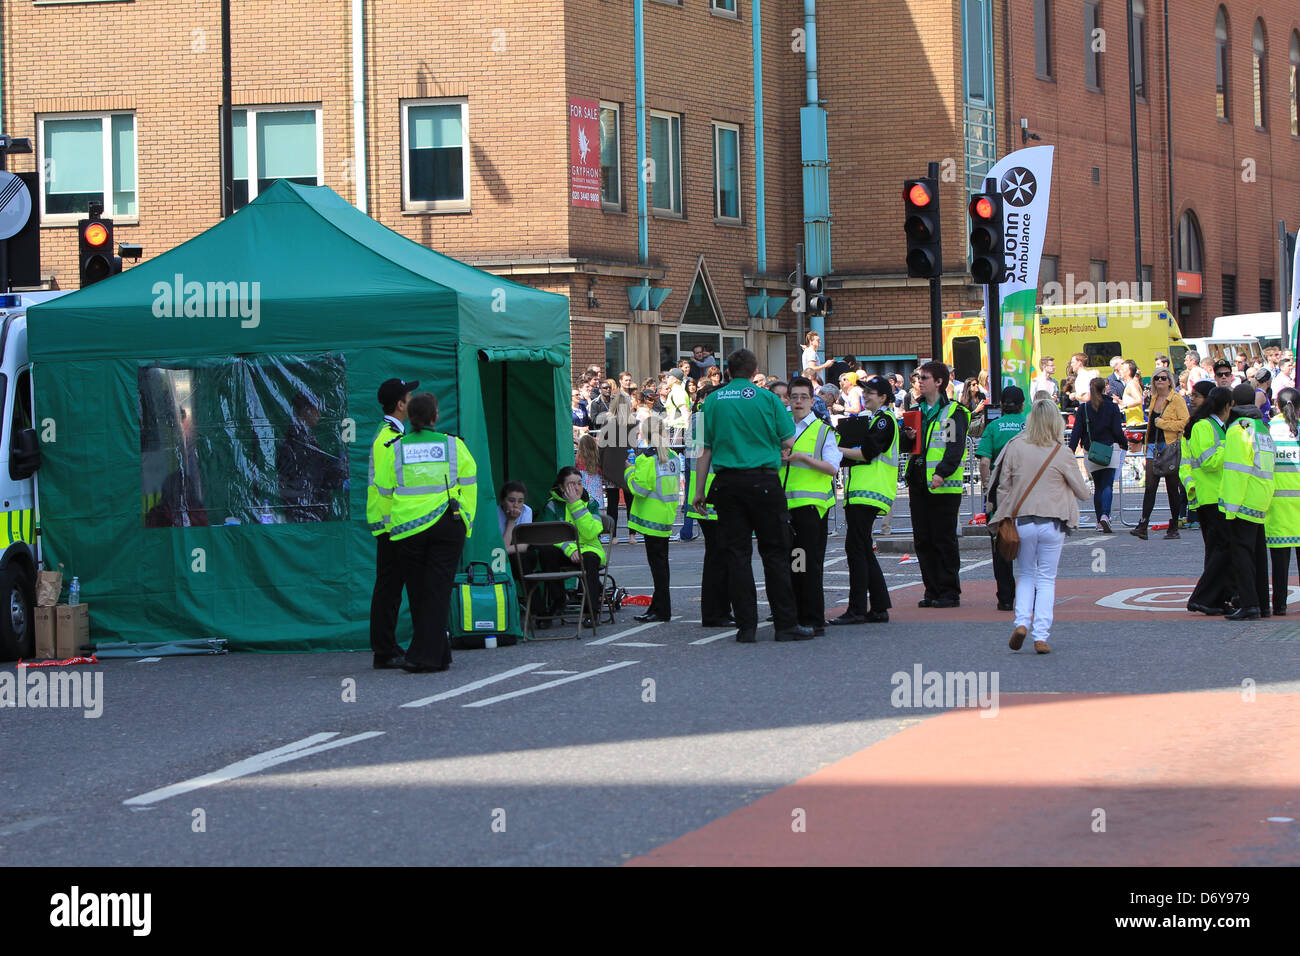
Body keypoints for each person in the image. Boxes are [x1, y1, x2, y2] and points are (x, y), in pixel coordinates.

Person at [691, 348, 811, 643]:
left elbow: (703, 450)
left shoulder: (713, 401)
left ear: (728, 371)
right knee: (775, 555)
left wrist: (698, 491)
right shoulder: (768, 399)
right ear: (754, 369)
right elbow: (788, 440)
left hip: (727, 484)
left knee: (737, 556)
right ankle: (785, 625)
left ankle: (746, 627)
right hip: (764, 483)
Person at [379, 392, 476, 673]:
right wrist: (466, 520)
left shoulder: (394, 448)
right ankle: (436, 655)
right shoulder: (453, 445)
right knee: (438, 590)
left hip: (408, 529)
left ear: (409, 417)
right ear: (435, 417)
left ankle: (425, 657)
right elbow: (470, 482)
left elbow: (384, 491)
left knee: (420, 592)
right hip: (447, 523)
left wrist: (389, 526)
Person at [987, 399, 1092, 654]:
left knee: (1025, 576)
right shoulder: (1061, 452)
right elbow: (1083, 493)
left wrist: (1004, 513)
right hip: (1053, 522)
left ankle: (1022, 622)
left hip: (1022, 520)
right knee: (1046, 579)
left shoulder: (1015, 446)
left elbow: (1003, 486)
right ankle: (1041, 636)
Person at [781, 376, 843, 635]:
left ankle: (813, 617)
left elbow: (831, 467)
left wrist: (801, 458)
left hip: (811, 506)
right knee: (791, 563)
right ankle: (794, 614)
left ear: (812, 400)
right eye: (793, 397)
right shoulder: (781, 429)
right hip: (784, 504)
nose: (797, 402)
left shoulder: (822, 430)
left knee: (806, 563)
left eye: (803, 397)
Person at [905, 361, 969, 608]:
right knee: (923, 539)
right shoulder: (916, 410)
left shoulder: (953, 412)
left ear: (939, 382)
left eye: (925, 377)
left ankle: (949, 591)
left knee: (943, 539)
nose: (920, 381)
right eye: (919, 378)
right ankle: (931, 589)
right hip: (919, 481)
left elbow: (954, 448)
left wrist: (942, 473)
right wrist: (906, 437)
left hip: (943, 486)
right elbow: (907, 447)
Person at [835, 375, 897, 624]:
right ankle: (879, 606)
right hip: (861, 492)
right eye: (865, 391)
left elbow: (868, 453)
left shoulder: (883, 420)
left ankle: (858, 608)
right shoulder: (873, 419)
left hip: (869, 491)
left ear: (883, 396)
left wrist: (836, 450)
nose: (866, 395)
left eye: (871, 392)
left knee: (857, 548)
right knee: (859, 548)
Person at [367, 378, 417, 669]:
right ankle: (384, 650)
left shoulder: (391, 432)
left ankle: (387, 647)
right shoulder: (389, 437)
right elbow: (392, 483)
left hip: (392, 522)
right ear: (400, 404)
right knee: (388, 589)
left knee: (391, 587)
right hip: (391, 523)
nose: (412, 400)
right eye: (409, 396)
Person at [1219, 383, 1277, 620]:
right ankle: (1263, 604)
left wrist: (1230, 507)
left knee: (1242, 553)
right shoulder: (1261, 427)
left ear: (1233, 404)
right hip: (1261, 496)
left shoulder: (1238, 429)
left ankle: (1250, 605)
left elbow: (1236, 471)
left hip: (1244, 499)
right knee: (1258, 554)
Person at [626, 415, 681, 623]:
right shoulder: (673, 456)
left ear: (644, 434)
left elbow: (639, 489)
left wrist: (629, 471)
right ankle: (658, 606)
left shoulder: (646, 459)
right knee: (662, 566)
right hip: (666, 515)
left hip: (650, 517)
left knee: (657, 567)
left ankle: (662, 610)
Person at [686, 383, 733, 627]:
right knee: (718, 555)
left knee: (718, 555)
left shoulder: (700, 419)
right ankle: (716, 612)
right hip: (712, 490)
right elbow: (704, 452)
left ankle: (719, 610)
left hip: (708, 489)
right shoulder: (703, 419)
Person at [536, 466, 606, 628]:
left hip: (589, 548)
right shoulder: (552, 505)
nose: (576, 488)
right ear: (561, 487)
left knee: (590, 559)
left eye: (579, 483)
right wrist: (570, 549)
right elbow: (548, 534)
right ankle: (558, 600)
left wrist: (575, 505)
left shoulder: (591, 503)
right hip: (565, 550)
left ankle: (592, 612)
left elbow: (591, 532)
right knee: (546, 551)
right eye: (571, 484)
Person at [978, 385, 1028, 607]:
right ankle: (1030, 596)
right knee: (1029, 541)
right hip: (1027, 489)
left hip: (1000, 490)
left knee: (1000, 540)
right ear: (1022, 405)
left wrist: (987, 484)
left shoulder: (993, 426)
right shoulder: (1030, 426)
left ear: (1001, 406)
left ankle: (1006, 598)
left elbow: (984, 461)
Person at [1186, 386, 1234, 614]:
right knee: (1223, 548)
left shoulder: (1218, 427)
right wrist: (1231, 446)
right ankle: (1203, 597)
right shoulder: (1204, 426)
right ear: (1227, 406)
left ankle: (1216, 598)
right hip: (1210, 496)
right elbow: (1208, 461)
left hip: (1220, 495)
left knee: (1218, 550)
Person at [1130, 366, 1188, 539]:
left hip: (1169, 446)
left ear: (1170, 381)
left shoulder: (1177, 399)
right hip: (1153, 447)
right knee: (1150, 487)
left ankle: (1173, 527)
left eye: (1163, 378)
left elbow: (1184, 423)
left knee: (1172, 488)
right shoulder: (1154, 398)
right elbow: (1150, 424)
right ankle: (1143, 524)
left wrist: (1163, 423)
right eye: (1156, 378)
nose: (1160, 381)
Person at [1068, 378, 1127, 534]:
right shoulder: (1112, 407)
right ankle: (1105, 516)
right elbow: (1117, 430)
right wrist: (1124, 443)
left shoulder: (1084, 408)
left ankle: (1099, 520)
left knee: (1098, 486)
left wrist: (1070, 450)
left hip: (1091, 450)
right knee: (1108, 485)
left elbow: (1076, 432)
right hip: (1109, 449)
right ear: (1105, 388)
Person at [1267, 387, 1300, 615]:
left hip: (1277, 504)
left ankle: (1279, 605)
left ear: (1276, 406)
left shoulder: (1268, 430)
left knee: (1279, 564)